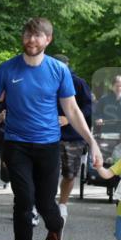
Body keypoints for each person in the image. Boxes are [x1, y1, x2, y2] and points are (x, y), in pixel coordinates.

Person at [0, 17, 102, 240]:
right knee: (23, 199)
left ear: (48, 39)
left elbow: (73, 109)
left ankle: (55, 225)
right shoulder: (7, 69)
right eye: (28, 34)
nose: (32, 40)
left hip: (48, 145)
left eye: (38, 35)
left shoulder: (58, 70)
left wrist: (92, 141)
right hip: (16, 143)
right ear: (23, 37)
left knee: (46, 203)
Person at [54, 55, 93, 221]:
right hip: (49, 136)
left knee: (69, 174)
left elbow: (88, 107)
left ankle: (62, 204)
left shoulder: (78, 82)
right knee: (45, 172)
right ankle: (39, 204)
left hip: (74, 137)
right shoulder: (46, 80)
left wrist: (68, 118)